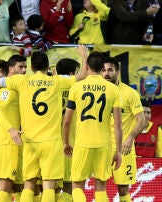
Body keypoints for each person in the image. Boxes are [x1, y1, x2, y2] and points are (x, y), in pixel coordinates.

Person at [0, 45, 88, 202]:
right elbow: (82, 75)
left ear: (31, 67)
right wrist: (84, 55)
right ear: (48, 67)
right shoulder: (55, 81)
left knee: (29, 184)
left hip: (29, 141)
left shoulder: (21, 80)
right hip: (51, 142)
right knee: (49, 185)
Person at [63, 52, 123, 202]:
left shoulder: (76, 87)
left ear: (87, 66)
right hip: (104, 144)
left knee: (77, 185)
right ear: (102, 68)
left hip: (83, 143)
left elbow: (67, 121)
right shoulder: (113, 89)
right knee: (101, 186)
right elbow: (117, 123)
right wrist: (119, 151)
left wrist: (65, 142)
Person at [102, 57, 145, 201]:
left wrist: (130, 137)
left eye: (110, 70)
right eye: (103, 70)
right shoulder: (98, 92)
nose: (106, 73)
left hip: (124, 148)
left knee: (123, 189)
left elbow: (141, 120)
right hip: (102, 146)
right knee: (100, 186)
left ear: (117, 72)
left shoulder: (129, 93)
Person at [0, 56, 27, 202]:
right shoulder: (8, 90)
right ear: (11, 69)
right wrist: (11, 130)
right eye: (21, 67)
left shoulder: (1, 89)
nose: (24, 70)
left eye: (25, 67)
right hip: (6, 142)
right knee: (5, 184)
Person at [55, 58, 80, 202]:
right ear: (72, 74)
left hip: (51, 143)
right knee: (69, 186)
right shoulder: (76, 88)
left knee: (49, 186)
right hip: (70, 143)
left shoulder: (51, 86)